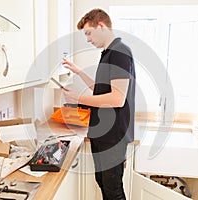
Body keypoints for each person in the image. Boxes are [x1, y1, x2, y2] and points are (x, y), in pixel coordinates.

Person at [62, 8, 135, 200]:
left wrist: (78, 99)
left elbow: (117, 98)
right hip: (102, 133)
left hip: (113, 136)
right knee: (102, 182)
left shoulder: (120, 52)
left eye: (88, 33)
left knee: (113, 190)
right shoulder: (107, 53)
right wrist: (78, 72)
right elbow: (100, 89)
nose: (87, 39)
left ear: (101, 26)